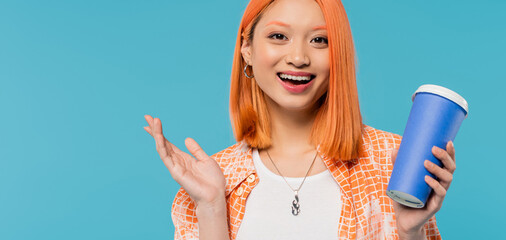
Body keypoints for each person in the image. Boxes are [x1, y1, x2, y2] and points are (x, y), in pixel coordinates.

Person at [143, 0, 457, 239]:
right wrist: (211, 208)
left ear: (339, 55)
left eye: (319, 40)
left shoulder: (393, 161)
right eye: (279, 36)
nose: (298, 57)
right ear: (247, 49)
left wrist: (409, 233)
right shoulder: (213, 180)